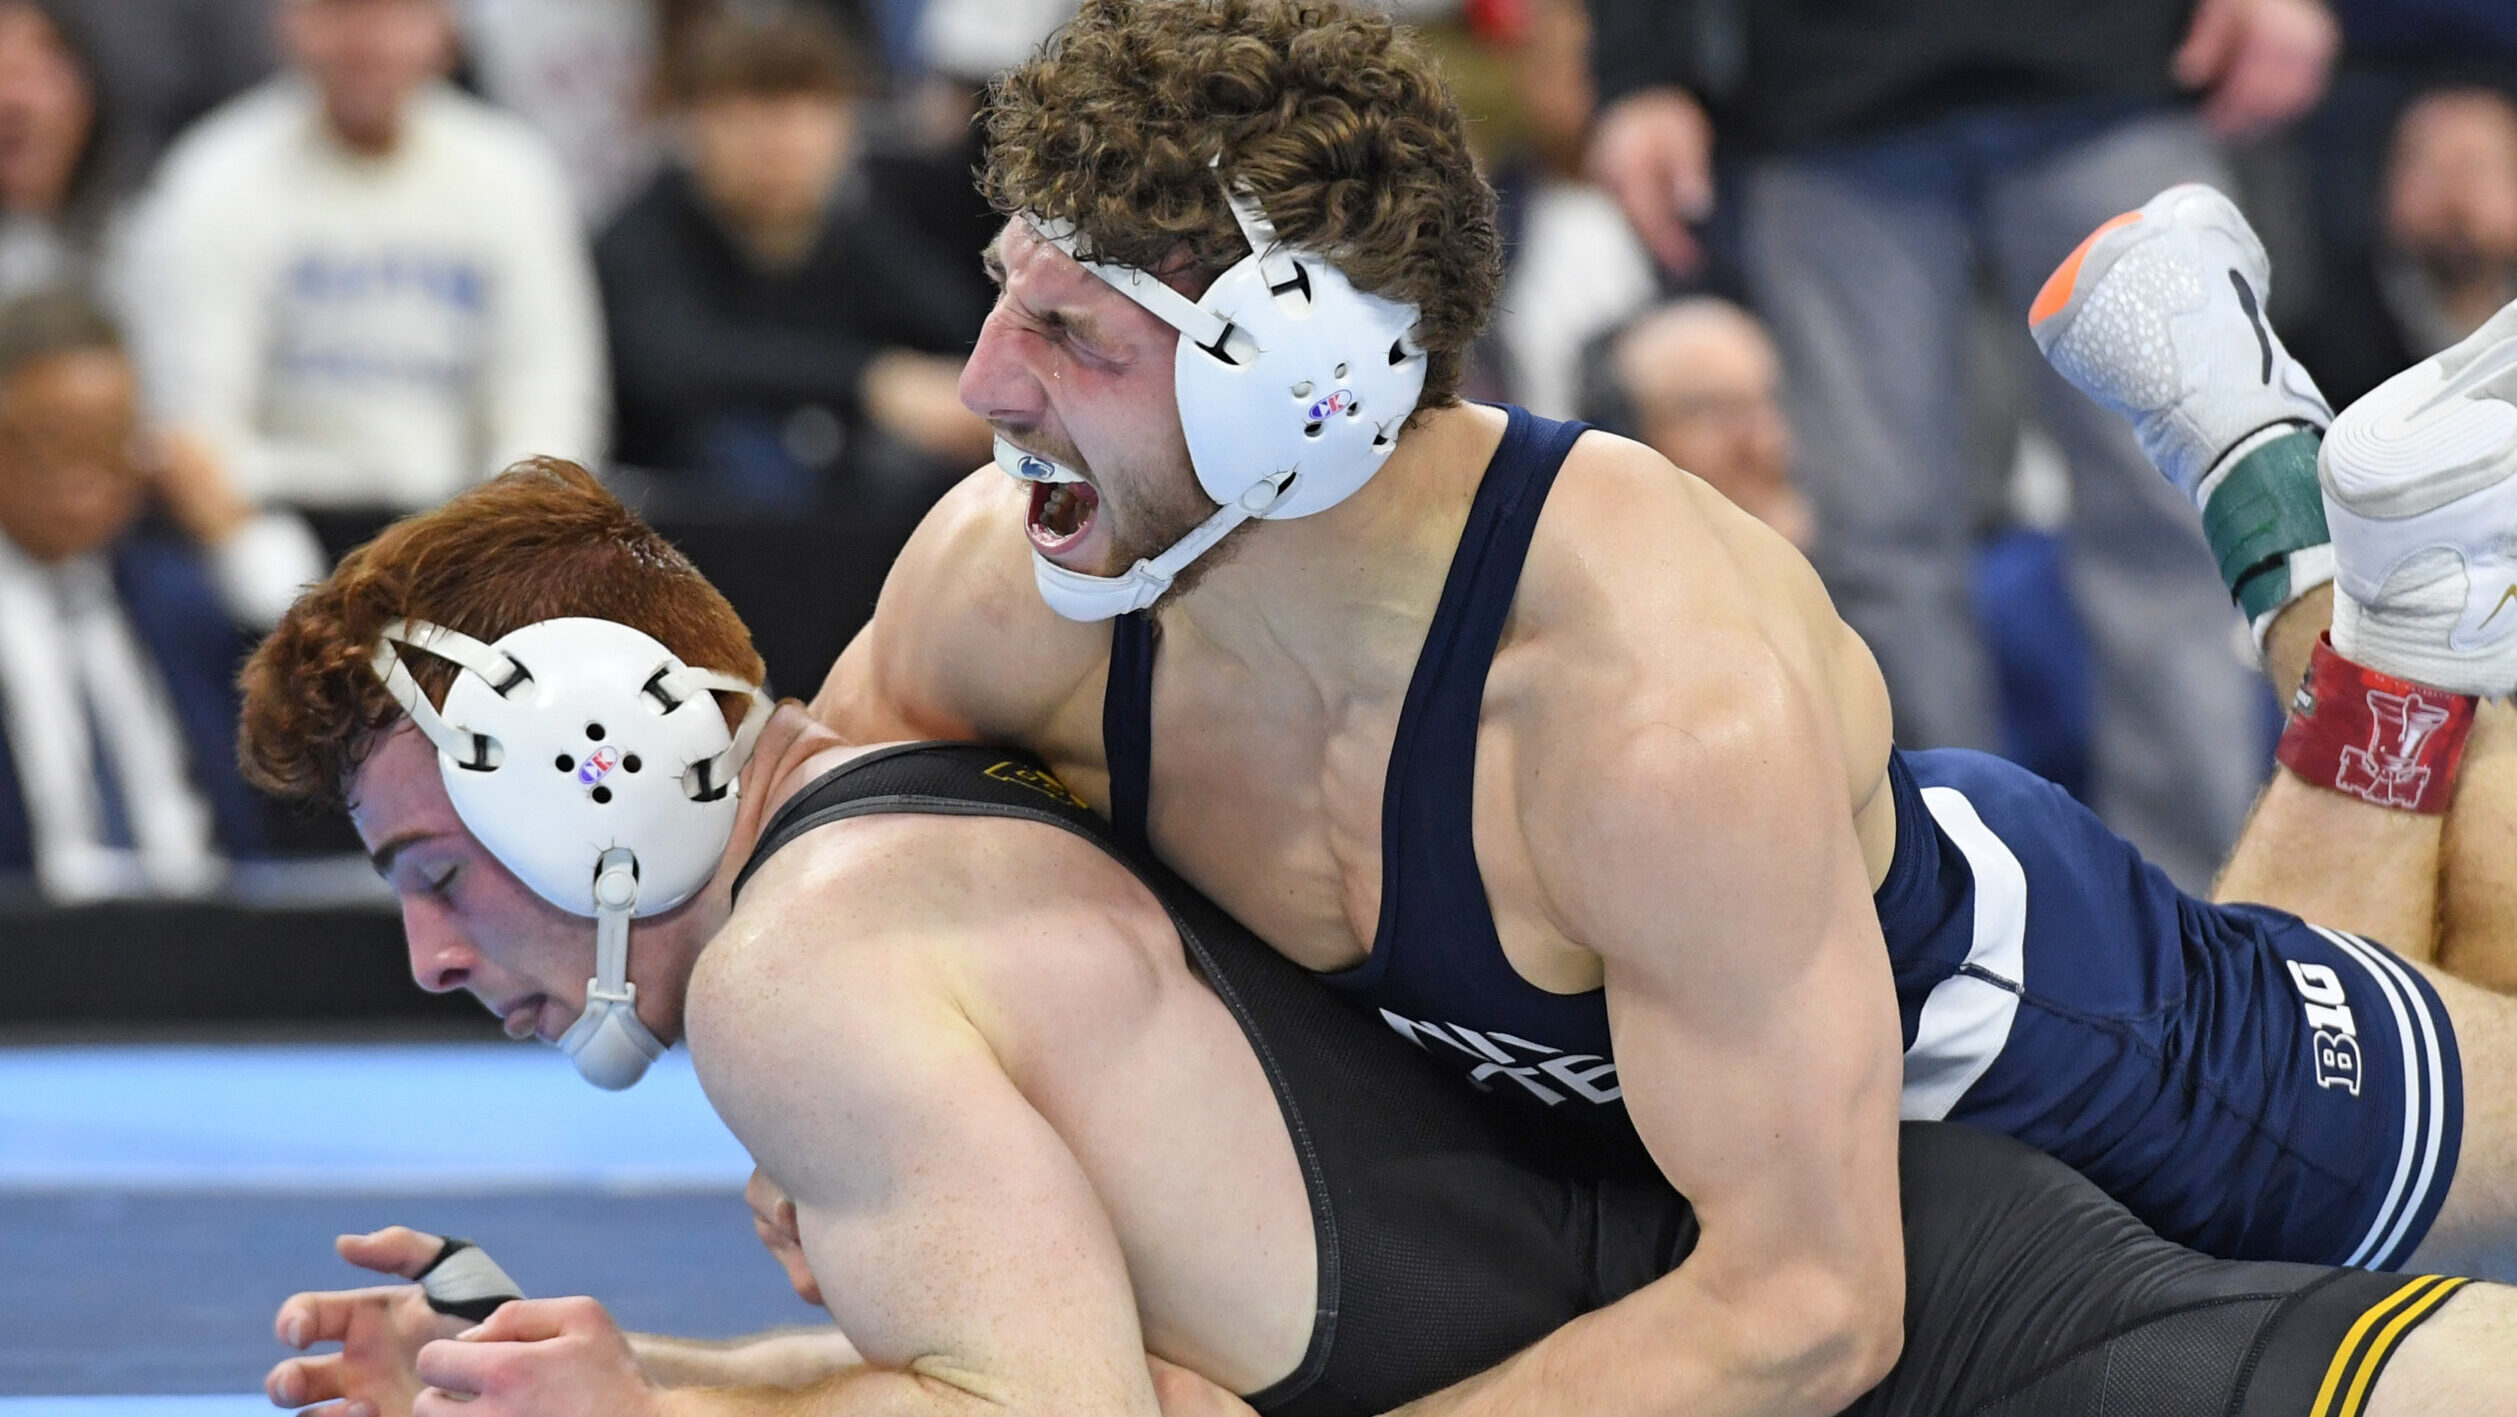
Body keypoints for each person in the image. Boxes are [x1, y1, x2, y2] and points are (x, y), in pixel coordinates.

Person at [814, 2, 2517, 1407]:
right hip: (1712, 1021)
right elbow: (822, 859)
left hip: (2039, 1037)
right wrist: (849, 1105)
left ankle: (2345, 578)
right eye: (1002, 294)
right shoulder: (1004, 585)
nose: (983, 382)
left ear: (1301, 391)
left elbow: (1800, 1314)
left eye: (1068, 333)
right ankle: (2314, 542)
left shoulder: (1649, 711)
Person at [236, 460, 2514, 1417]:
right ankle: (2392, 628)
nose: (437, 959)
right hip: (1803, 1202)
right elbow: (1107, 1365)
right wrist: (677, 1374)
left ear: (590, 757)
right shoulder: (897, 815)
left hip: (1877, 1247)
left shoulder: (805, 975)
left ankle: (2390, 600)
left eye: (433, 868)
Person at [1584, 0, 2342, 891]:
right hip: (1828, 93)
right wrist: (1641, 69)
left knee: (2183, 515)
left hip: (2106, 62)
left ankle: (2204, 923)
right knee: (1876, 549)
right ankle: (1958, 918)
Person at [118, 0, 604, 516]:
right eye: (341, 12)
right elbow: (194, 428)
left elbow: (551, 404)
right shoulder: (211, 177)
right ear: (287, 23)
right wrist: (267, 577)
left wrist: (504, 548)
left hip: (467, 523)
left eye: (401, 14)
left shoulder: (514, 170)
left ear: (448, 30)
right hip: (277, 512)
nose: (371, 42)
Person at [596, 5, 989, 514]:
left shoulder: (865, 233)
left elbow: (958, 329)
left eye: (805, 111)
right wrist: (873, 382)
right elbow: (670, 363)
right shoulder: (642, 233)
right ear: (692, 123)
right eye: (747, 113)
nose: (778, 143)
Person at [0, 286, 322, 900]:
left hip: (210, 945)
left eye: (109, 442)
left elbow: (332, 708)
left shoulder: (179, 599)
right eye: (51, 443)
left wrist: (235, 530)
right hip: (27, 963)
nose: (83, 477)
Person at [2292, 84, 2517, 410]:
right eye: (2432, 169)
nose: (2456, 198)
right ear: (2387, 187)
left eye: (2478, 168)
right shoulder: (2320, 358)